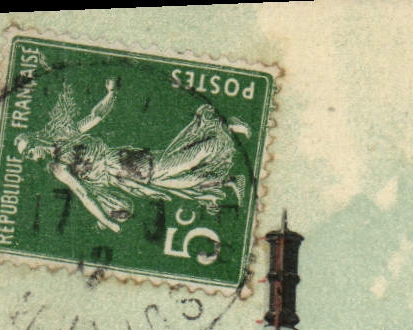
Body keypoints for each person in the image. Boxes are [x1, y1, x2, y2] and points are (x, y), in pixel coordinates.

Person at [16, 79, 249, 234]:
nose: (31, 156)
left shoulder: (60, 159)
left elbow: (96, 117)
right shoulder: (58, 160)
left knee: (181, 164)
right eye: (27, 155)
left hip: (124, 165)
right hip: (124, 176)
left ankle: (222, 128)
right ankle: (228, 180)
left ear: (36, 141)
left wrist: (110, 93)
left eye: (28, 151)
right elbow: (85, 191)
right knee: (178, 182)